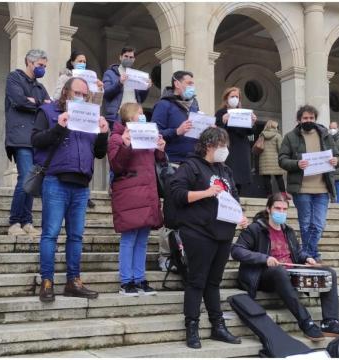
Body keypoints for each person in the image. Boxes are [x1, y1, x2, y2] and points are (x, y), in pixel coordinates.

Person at [167, 127, 246, 349]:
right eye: (222, 145)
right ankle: (191, 326)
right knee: (197, 281)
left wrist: (241, 216)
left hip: (223, 233)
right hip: (198, 232)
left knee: (214, 282)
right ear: (209, 145)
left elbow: (234, 198)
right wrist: (206, 192)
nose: (225, 150)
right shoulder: (190, 166)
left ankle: (217, 325)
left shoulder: (225, 170)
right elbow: (177, 195)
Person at [231, 193, 339, 340]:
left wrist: (307, 258)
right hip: (263, 275)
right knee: (279, 271)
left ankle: (330, 322)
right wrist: (265, 258)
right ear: (268, 209)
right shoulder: (255, 229)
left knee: (328, 272)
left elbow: (297, 252)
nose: (281, 212)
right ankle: (306, 322)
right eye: (277, 208)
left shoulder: (288, 231)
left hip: (288, 275)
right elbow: (237, 250)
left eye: (284, 209)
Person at [32, 77, 109, 303]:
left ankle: (73, 281)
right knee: (50, 233)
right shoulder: (47, 111)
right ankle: (47, 281)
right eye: (77, 92)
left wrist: (103, 133)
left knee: (75, 236)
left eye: (85, 95)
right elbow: (36, 140)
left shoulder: (91, 116)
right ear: (65, 92)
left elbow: (99, 153)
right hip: (55, 179)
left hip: (82, 184)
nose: (81, 97)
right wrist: (59, 126)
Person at [108, 102, 166, 296]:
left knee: (142, 239)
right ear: (130, 115)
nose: (143, 116)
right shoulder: (116, 137)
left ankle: (140, 279)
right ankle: (126, 281)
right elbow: (117, 166)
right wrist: (126, 144)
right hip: (130, 194)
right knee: (129, 239)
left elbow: (156, 163)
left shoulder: (147, 134)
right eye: (140, 113)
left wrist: (160, 149)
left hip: (148, 193)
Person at [151, 70, 199, 272]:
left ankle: (185, 253)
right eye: (188, 82)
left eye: (192, 82)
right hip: (171, 164)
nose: (191, 86)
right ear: (176, 84)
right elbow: (154, 132)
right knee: (171, 212)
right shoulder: (164, 104)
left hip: (192, 164)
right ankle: (166, 255)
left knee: (190, 212)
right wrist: (177, 131)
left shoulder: (194, 105)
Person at [279, 105, 338, 262]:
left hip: (323, 188)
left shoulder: (325, 135)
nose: (308, 121)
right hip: (302, 188)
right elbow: (282, 160)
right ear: (299, 119)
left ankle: (306, 253)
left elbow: (337, 155)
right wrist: (297, 164)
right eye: (305, 118)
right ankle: (312, 256)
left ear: (315, 119)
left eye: (311, 118)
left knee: (318, 225)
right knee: (305, 225)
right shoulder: (290, 137)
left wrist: (335, 160)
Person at [4, 49, 50, 238]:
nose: (42, 69)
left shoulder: (39, 87)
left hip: (36, 139)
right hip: (20, 137)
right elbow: (19, 101)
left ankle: (27, 221)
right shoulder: (14, 78)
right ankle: (15, 221)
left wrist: (35, 102)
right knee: (25, 177)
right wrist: (39, 103)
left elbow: (49, 107)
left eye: (44, 66)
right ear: (29, 63)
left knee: (33, 180)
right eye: (40, 65)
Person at [54, 50, 104, 209]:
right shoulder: (64, 78)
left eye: (85, 60)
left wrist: (99, 90)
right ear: (72, 62)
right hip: (69, 120)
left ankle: (85, 194)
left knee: (84, 153)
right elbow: (57, 97)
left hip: (84, 121)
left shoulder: (88, 80)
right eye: (80, 60)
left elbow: (95, 105)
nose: (83, 63)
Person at [215, 86, 258, 194]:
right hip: (228, 147)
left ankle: (237, 200)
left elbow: (251, 132)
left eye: (237, 96)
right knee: (227, 175)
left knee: (240, 177)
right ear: (226, 98)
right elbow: (216, 132)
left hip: (241, 147)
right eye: (232, 96)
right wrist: (224, 122)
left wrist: (252, 123)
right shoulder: (221, 113)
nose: (235, 98)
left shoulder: (243, 112)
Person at [102, 46, 152, 128]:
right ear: (120, 57)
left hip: (134, 116)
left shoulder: (137, 75)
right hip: (118, 115)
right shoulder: (110, 73)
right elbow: (106, 93)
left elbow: (141, 99)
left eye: (131, 57)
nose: (128, 59)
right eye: (126, 56)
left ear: (134, 59)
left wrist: (146, 88)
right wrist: (119, 83)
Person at [258, 120, 288, 198]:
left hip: (264, 159)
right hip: (275, 160)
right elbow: (280, 148)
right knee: (279, 177)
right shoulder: (277, 135)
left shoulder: (262, 135)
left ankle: (269, 194)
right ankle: (283, 194)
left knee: (266, 178)